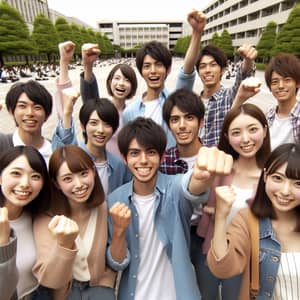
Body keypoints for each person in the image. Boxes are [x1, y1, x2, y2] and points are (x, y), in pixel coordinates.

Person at [106, 117, 233, 300]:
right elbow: (117, 263)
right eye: (134, 153)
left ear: (162, 156)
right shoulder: (115, 200)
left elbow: (191, 185)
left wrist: (203, 175)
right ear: (125, 158)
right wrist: (118, 230)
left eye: (150, 152)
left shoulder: (173, 188)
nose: (143, 160)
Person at [195, 103, 271, 299]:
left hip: (247, 259)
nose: (245, 139)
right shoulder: (220, 168)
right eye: (236, 132)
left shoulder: (272, 178)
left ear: (265, 129)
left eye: (253, 129)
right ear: (227, 137)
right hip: (211, 249)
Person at [207, 143, 300, 299]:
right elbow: (222, 268)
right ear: (265, 176)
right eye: (278, 178)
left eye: (297, 183)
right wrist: (221, 216)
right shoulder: (248, 220)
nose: (285, 191)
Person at [33, 145, 117, 300]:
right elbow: (50, 279)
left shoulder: (102, 208)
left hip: (100, 290)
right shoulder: (46, 219)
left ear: (93, 171)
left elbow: (115, 256)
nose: (79, 184)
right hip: (66, 294)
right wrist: (64, 244)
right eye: (67, 179)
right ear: (56, 183)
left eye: (84, 173)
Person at [52, 41, 131, 196]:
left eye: (107, 124)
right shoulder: (75, 155)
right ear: (82, 126)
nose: (100, 130)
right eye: (94, 123)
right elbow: (68, 109)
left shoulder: (119, 166)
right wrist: (65, 62)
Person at [177, 9, 257, 146]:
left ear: (223, 70)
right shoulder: (193, 102)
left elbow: (243, 78)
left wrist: (248, 61)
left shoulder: (230, 96)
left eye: (213, 65)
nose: (207, 70)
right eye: (202, 66)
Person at [0, 146, 51, 300]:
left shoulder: (39, 220)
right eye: (16, 173)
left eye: (35, 176)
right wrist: (3, 242)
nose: (25, 183)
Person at [80, 43, 138, 157]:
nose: (121, 83)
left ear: (132, 86)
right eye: (117, 78)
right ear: (110, 82)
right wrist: (88, 66)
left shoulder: (134, 114)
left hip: (124, 170)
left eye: (127, 80)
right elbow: (89, 98)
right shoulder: (103, 109)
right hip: (100, 166)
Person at [233, 53, 300, 150]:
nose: (280, 86)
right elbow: (232, 128)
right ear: (270, 87)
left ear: (297, 83)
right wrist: (239, 98)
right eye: (275, 82)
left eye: (287, 80)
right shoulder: (267, 116)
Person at [122, 41, 176, 149]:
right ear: (141, 71)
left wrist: (196, 33)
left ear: (168, 69)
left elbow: (186, 76)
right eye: (147, 66)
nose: (153, 71)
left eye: (158, 65)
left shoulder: (176, 103)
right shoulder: (129, 112)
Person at [0, 80, 53, 163]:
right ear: (11, 111)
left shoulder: (54, 151)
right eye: (22, 106)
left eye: (37, 107)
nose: (30, 113)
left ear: (47, 114)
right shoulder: (2, 145)